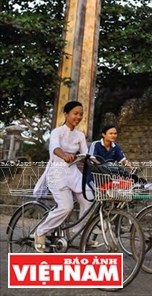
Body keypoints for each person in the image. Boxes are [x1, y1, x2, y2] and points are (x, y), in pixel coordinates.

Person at [33, 100, 92, 252]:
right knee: (66, 207)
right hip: (57, 172)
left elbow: (86, 153)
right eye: (75, 113)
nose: (78, 117)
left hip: (73, 173)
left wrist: (96, 160)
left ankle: (78, 232)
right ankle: (41, 232)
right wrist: (64, 155)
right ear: (66, 114)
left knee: (89, 199)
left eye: (81, 114)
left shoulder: (80, 135)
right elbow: (55, 148)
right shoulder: (57, 132)